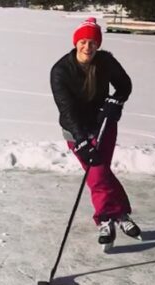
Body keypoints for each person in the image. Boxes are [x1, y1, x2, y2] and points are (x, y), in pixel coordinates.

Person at [49, 17, 141, 246]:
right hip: (74, 129)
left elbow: (125, 84)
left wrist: (115, 101)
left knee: (100, 172)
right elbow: (66, 109)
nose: (87, 47)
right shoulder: (60, 70)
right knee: (98, 173)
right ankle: (111, 216)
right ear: (75, 42)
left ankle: (115, 215)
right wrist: (81, 141)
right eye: (83, 41)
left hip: (103, 125)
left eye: (92, 42)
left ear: (98, 44)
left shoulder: (106, 62)